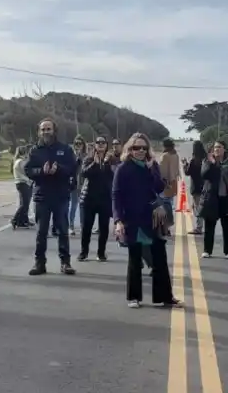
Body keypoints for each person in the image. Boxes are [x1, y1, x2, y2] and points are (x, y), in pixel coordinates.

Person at [113, 132, 179, 309]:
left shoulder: (152, 165)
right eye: (136, 148)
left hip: (152, 218)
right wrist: (118, 220)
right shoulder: (123, 168)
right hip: (132, 219)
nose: (140, 151)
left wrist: (151, 170)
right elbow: (116, 195)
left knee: (159, 257)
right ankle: (133, 297)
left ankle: (165, 297)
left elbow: (158, 187)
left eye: (144, 148)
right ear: (130, 149)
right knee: (135, 259)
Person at [25, 118, 77, 276]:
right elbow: (28, 170)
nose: (46, 132)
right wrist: (42, 171)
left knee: (62, 231)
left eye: (48, 129)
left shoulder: (65, 149)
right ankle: (39, 263)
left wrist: (58, 169)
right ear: (39, 132)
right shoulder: (35, 150)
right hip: (42, 196)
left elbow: (72, 169)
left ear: (54, 130)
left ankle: (65, 263)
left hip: (60, 195)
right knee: (41, 232)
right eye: (43, 129)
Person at [198, 140, 228, 259]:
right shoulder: (207, 160)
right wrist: (212, 164)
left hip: (227, 198)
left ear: (224, 149)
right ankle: (207, 250)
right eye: (215, 147)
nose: (216, 149)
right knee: (209, 225)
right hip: (212, 198)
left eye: (219, 147)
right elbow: (204, 175)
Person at [77, 136, 114, 262]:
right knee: (86, 227)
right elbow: (84, 173)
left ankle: (101, 252)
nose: (101, 144)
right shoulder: (89, 158)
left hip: (105, 198)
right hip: (89, 198)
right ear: (95, 145)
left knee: (104, 228)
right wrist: (95, 163)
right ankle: (84, 252)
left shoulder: (111, 159)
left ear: (107, 145)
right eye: (98, 143)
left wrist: (107, 163)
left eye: (103, 142)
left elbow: (115, 175)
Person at [183, 140, 206, 234]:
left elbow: (187, 172)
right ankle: (201, 226)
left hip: (196, 188)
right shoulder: (205, 160)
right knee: (200, 207)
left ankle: (199, 227)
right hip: (204, 187)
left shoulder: (194, 161)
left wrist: (185, 164)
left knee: (197, 208)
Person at [68, 135, 87, 236]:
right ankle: (70, 226)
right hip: (74, 183)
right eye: (76, 144)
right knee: (74, 205)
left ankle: (83, 225)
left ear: (83, 145)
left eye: (80, 143)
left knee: (83, 205)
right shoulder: (71, 155)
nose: (78, 145)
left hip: (84, 183)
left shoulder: (86, 156)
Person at [11, 145, 32, 228]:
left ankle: (22, 221)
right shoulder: (20, 161)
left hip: (22, 182)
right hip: (23, 183)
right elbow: (23, 173)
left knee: (24, 203)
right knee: (24, 204)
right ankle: (15, 219)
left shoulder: (19, 160)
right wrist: (29, 180)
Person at [158, 138, 181, 212]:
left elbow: (162, 172)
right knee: (170, 203)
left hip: (166, 184)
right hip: (173, 183)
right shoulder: (176, 155)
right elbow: (177, 171)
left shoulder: (165, 156)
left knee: (163, 204)